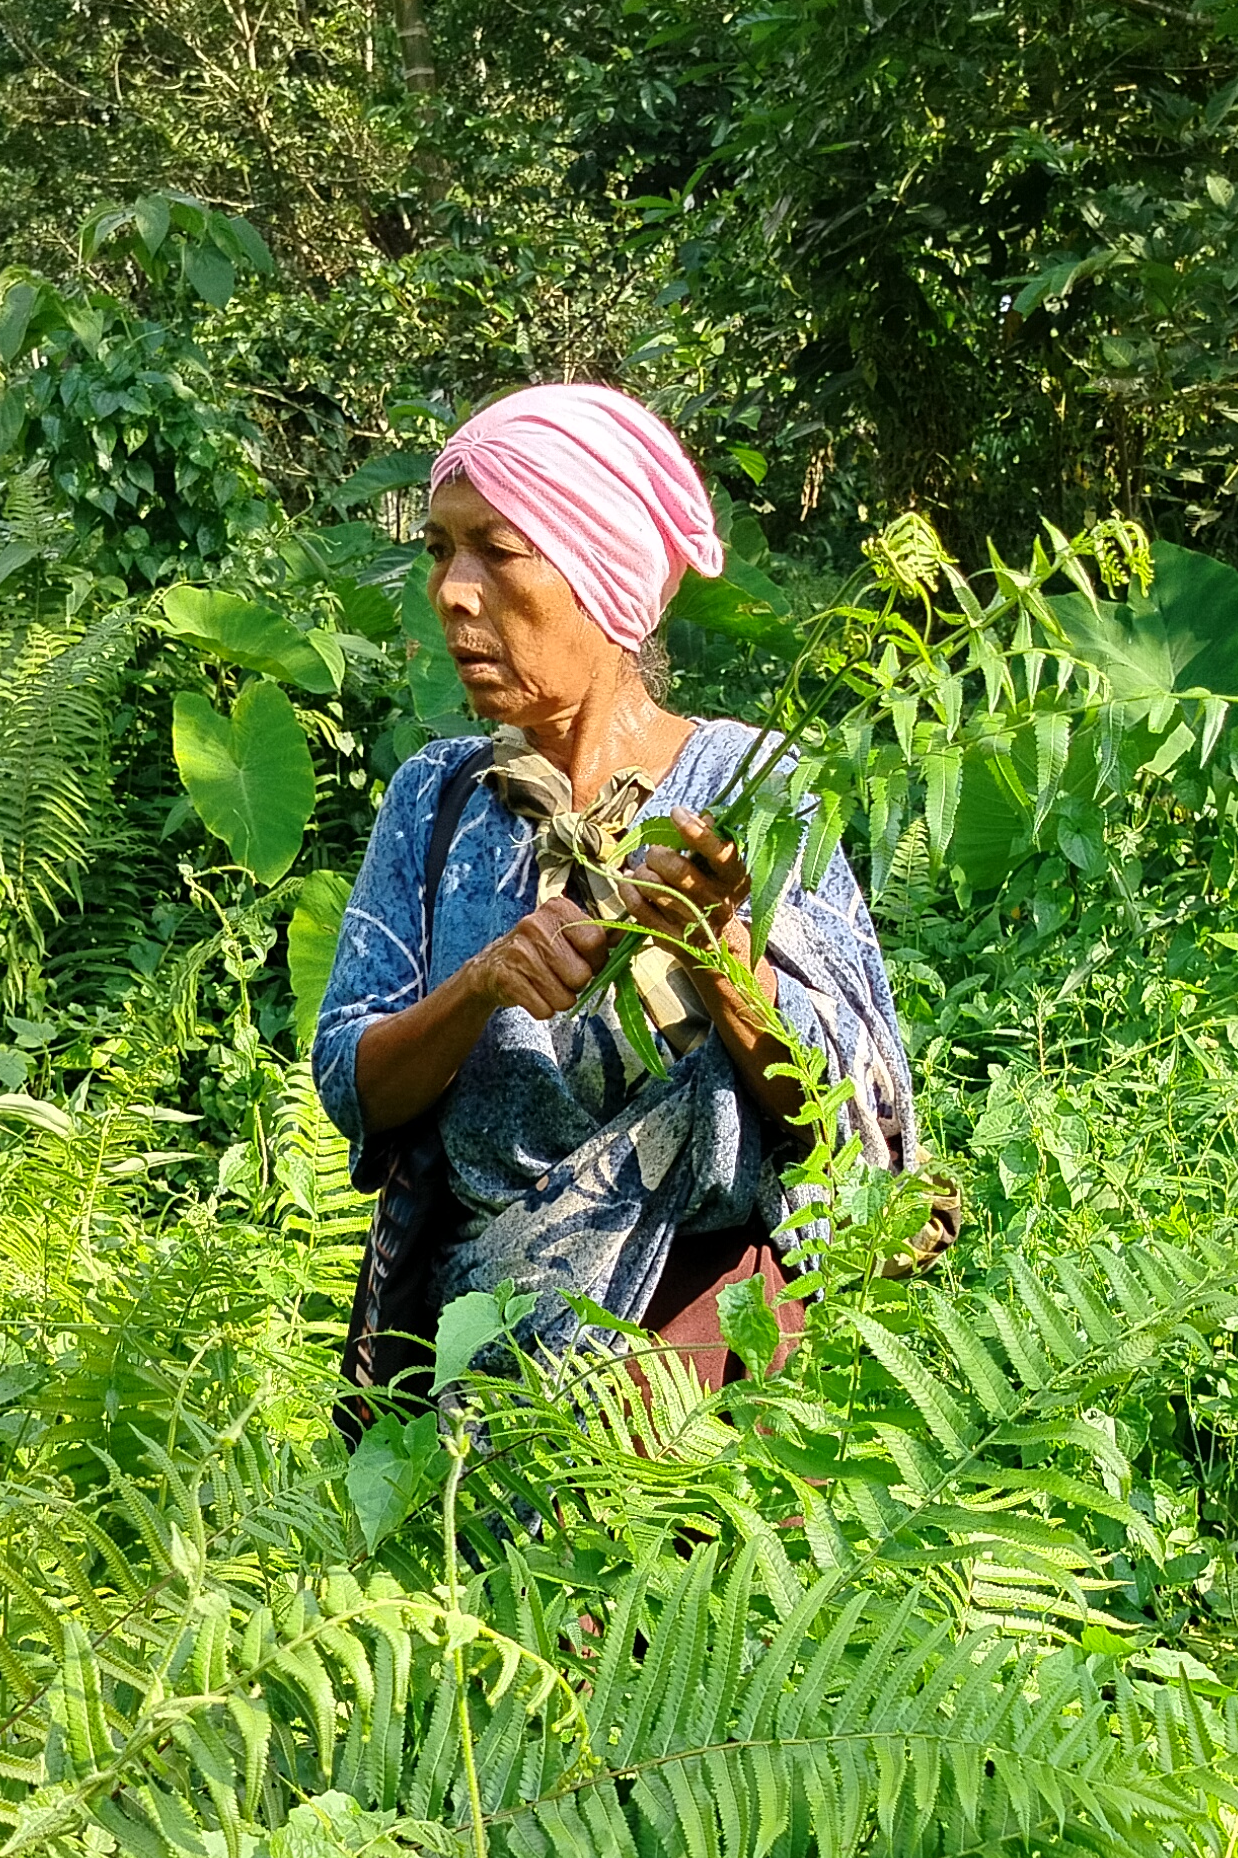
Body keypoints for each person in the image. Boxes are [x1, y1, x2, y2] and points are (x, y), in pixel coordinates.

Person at [310, 383, 918, 1422]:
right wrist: (482, 986)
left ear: (599, 572)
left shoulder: (749, 788)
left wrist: (721, 955)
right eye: (439, 551)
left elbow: (845, 1111)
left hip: (706, 1364)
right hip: (470, 1369)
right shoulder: (437, 801)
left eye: (497, 553)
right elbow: (347, 1079)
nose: (453, 592)